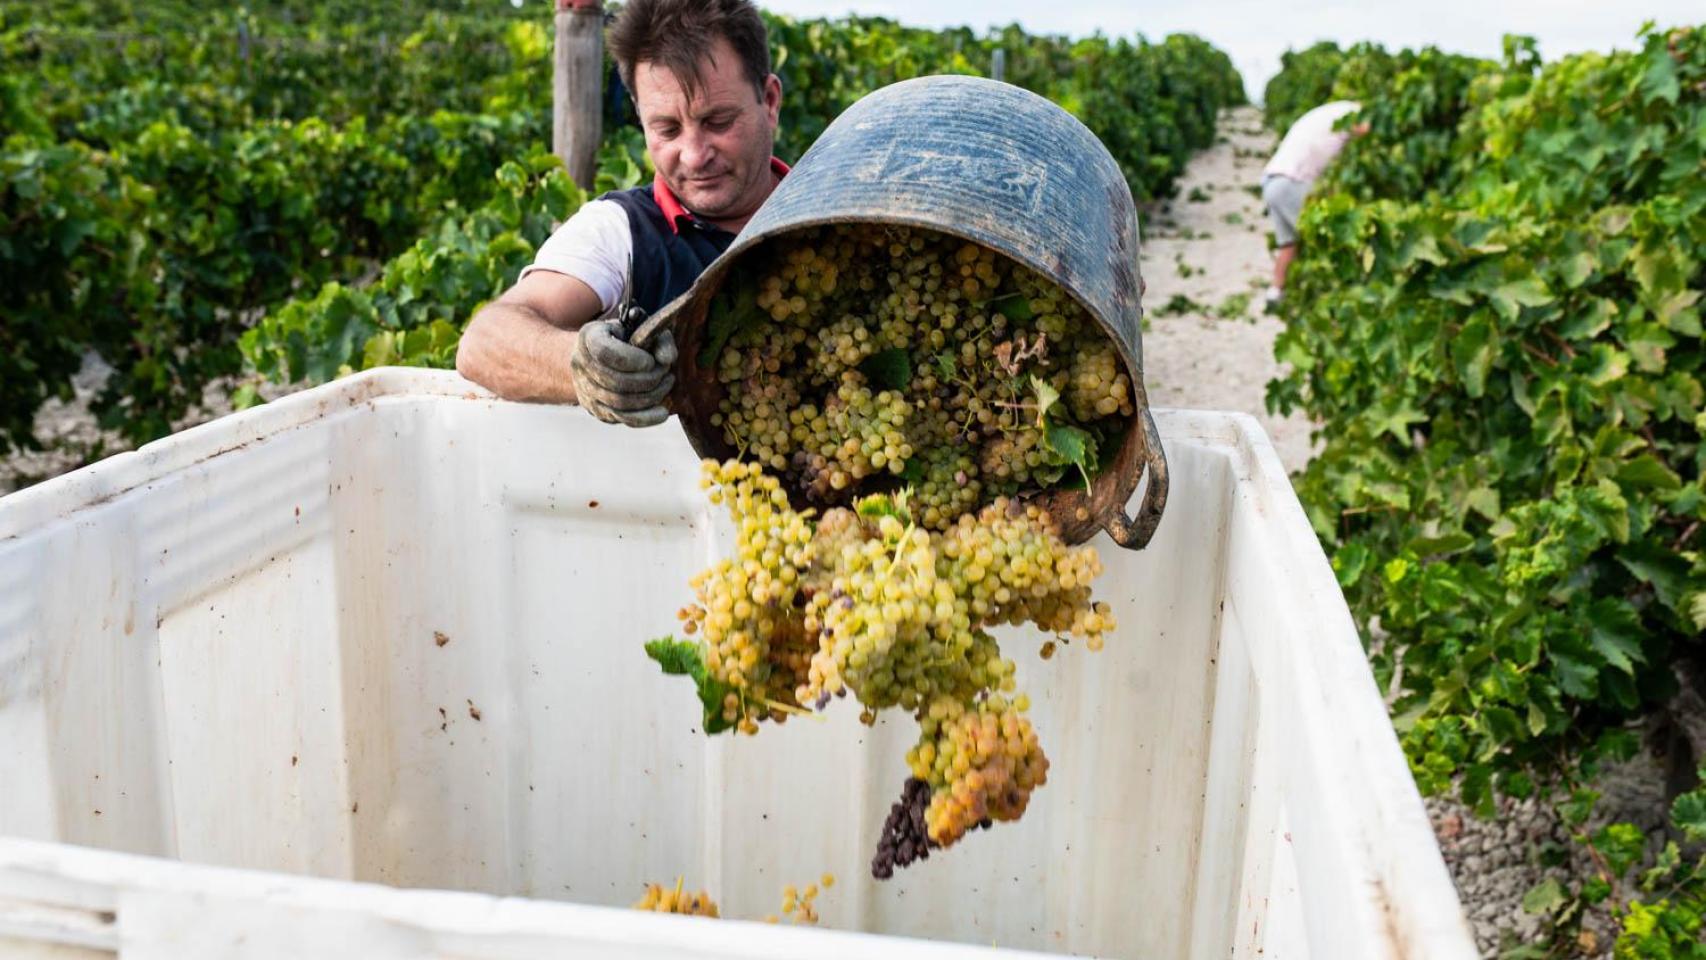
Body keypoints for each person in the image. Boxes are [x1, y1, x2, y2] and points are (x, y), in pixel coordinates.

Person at [456, 0, 786, 427]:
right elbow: (485, 341)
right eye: (667, 129)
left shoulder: (833, 216)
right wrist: (582, 364)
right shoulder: (619, 232)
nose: (694, 154)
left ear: (770, 101)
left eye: (718, 121)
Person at [1260, 100, 1369, 309]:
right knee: (1330, 241)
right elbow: (1367, 131)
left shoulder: (1330, 110)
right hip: (1293, 182)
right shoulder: (1353, 113)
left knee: (1289, 243)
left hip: (1273, 180)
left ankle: (1275, 293)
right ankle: (1335, 298)